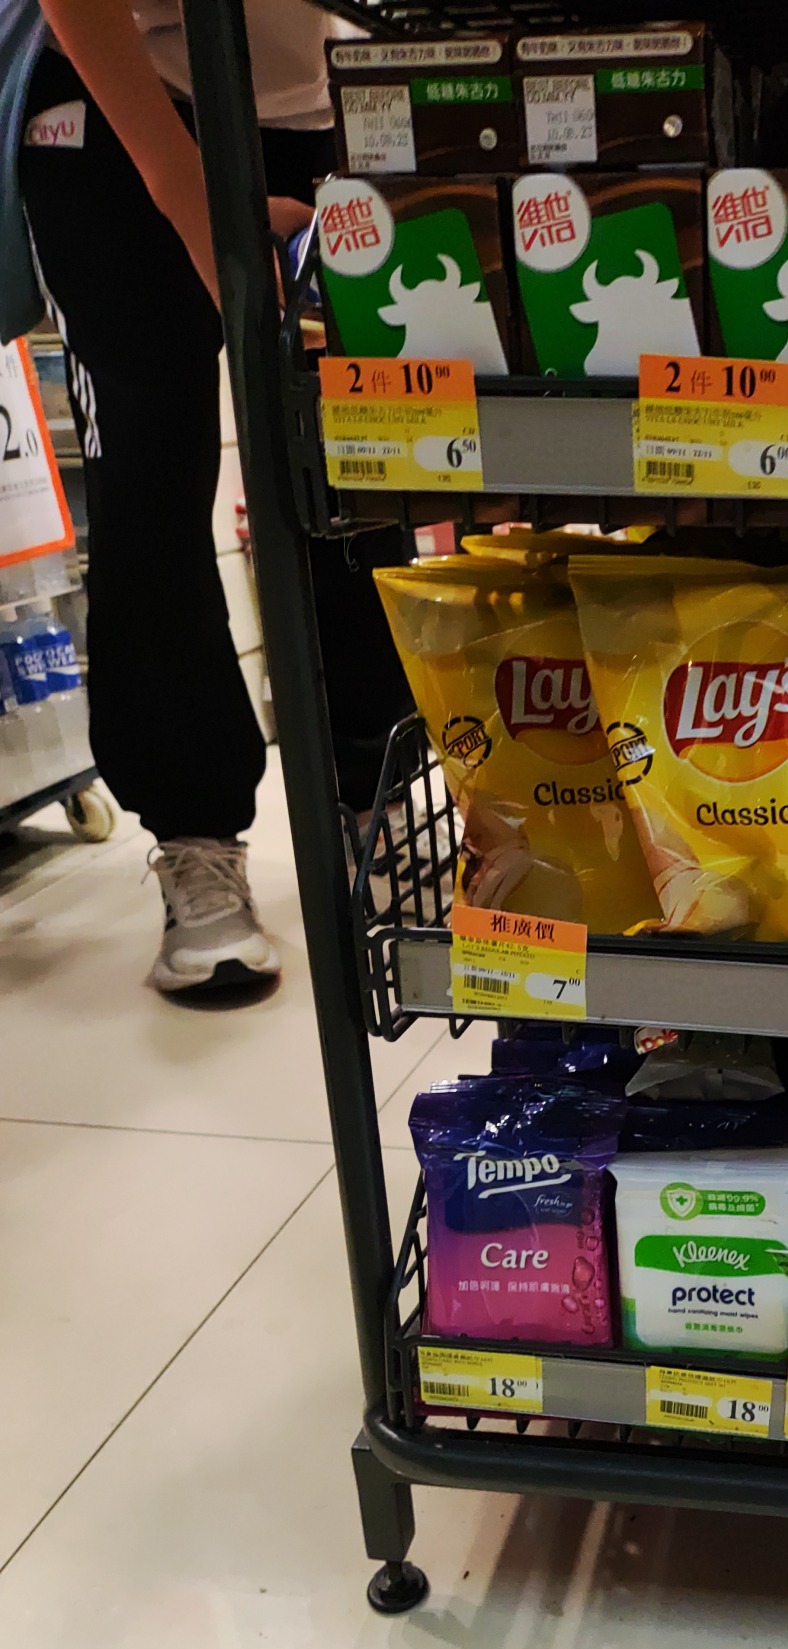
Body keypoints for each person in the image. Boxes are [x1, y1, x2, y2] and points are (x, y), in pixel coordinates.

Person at [8, 0, 413, 994]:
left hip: (317, 98)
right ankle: (195, 836)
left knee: (357, 457)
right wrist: (195, 206)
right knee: (151, 473)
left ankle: (379, 797)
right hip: (118, 107)